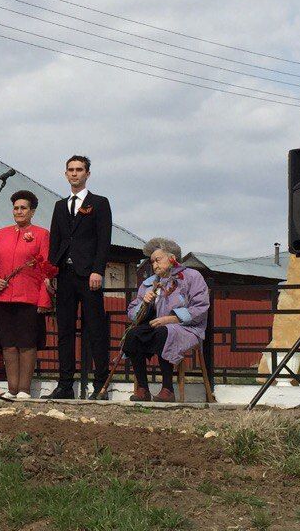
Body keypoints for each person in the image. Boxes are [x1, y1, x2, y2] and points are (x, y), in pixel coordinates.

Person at [46, 155, 113, 400]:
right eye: (71, 170)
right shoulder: (60, 206)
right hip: (65, 275)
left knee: (95, 330)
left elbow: (104, 240)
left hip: (89, 275)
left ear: (87, 174)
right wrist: (50, 272)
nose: (75, 174)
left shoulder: (100, 203)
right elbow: (55, 240)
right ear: (65, 174)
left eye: (79, 170)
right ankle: (65, 385)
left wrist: (98, 270)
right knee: (64, 331)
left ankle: (100, 386)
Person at [0, 190, 55, 399]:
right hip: (4, 297)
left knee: (26, 344)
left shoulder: (41, 234)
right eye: (16, 208)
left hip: (29, 299)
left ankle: (24, 389)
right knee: (8, 344)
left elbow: (46, 270)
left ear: (32, 211)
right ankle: (11, 388)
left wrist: (44, 299)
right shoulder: (2, 233)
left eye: (23, 208)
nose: (19, 211)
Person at [124, 237, 210, 402]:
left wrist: (171, 319)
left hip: (188, 328)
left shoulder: (191, 276)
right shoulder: (149, 283)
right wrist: (144, 302)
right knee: (133, 334)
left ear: (172, 258)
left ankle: (167, 389)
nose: (154, 265)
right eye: (152, 262)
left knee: (164, 332)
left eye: (158, 260)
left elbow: (200, 307)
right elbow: (132, 312)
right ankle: (142, 388)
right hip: (157, 326)